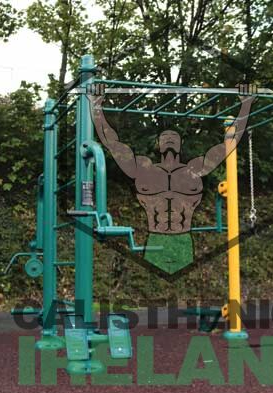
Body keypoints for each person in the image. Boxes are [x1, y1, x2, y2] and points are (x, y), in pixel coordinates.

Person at [87, 87, 253, 273]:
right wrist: (96, 106)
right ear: (158, 145)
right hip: (155, 237)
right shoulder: (145, 169)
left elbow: (226, 146)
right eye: (164, 137)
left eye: (174, 136)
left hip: (183, 239)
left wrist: (246, 105)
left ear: (180, 145)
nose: (169, 138)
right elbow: (113, 144)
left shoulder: (193, 169)